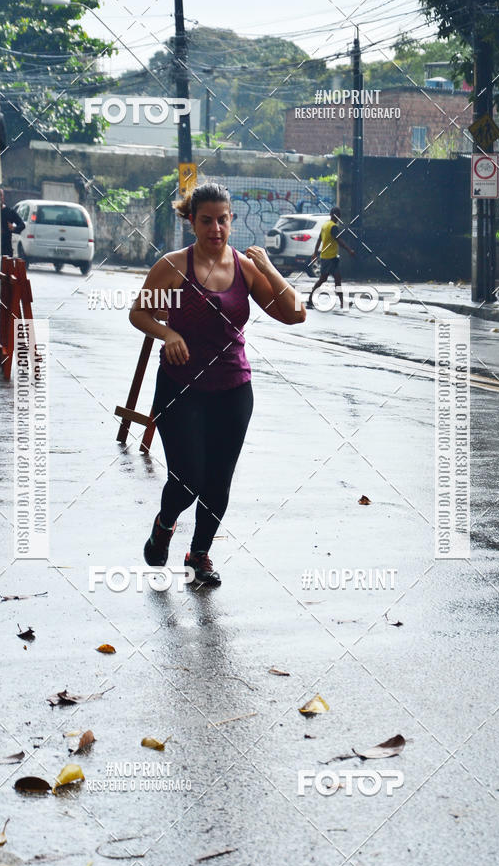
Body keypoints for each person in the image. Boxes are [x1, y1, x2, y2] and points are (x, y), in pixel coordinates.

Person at [129, 182, 306, 587]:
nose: (216, 229)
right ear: (192, 221)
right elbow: (139, 313)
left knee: (219, 480)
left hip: (233, 388)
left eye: (223, 220)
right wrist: (168, 334)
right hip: (180, 387)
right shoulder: (173, 265)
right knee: (187, 478)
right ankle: (165, 524)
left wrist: (269, 268)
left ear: (232, 220)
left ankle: (199, 555)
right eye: (207, 220)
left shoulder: (246, 268)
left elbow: (295, 314)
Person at [306, 206, 355, 309]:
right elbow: (339, 240)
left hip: (327, 257)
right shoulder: (333, 227)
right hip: (330, 258)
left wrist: (315, 253)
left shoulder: (325, 225)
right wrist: (349, 250)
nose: (338, 217)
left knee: (335, 279)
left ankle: (342, 302)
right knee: (325, 279)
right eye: (338, 215)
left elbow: (319, 240)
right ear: (336, 216)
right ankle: (310, 299)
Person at [0, 188, 25, 258]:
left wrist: (13, 228)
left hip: (6, 248)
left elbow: (22, 225)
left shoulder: (9, 211)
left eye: (0, 195)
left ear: (3, 197)